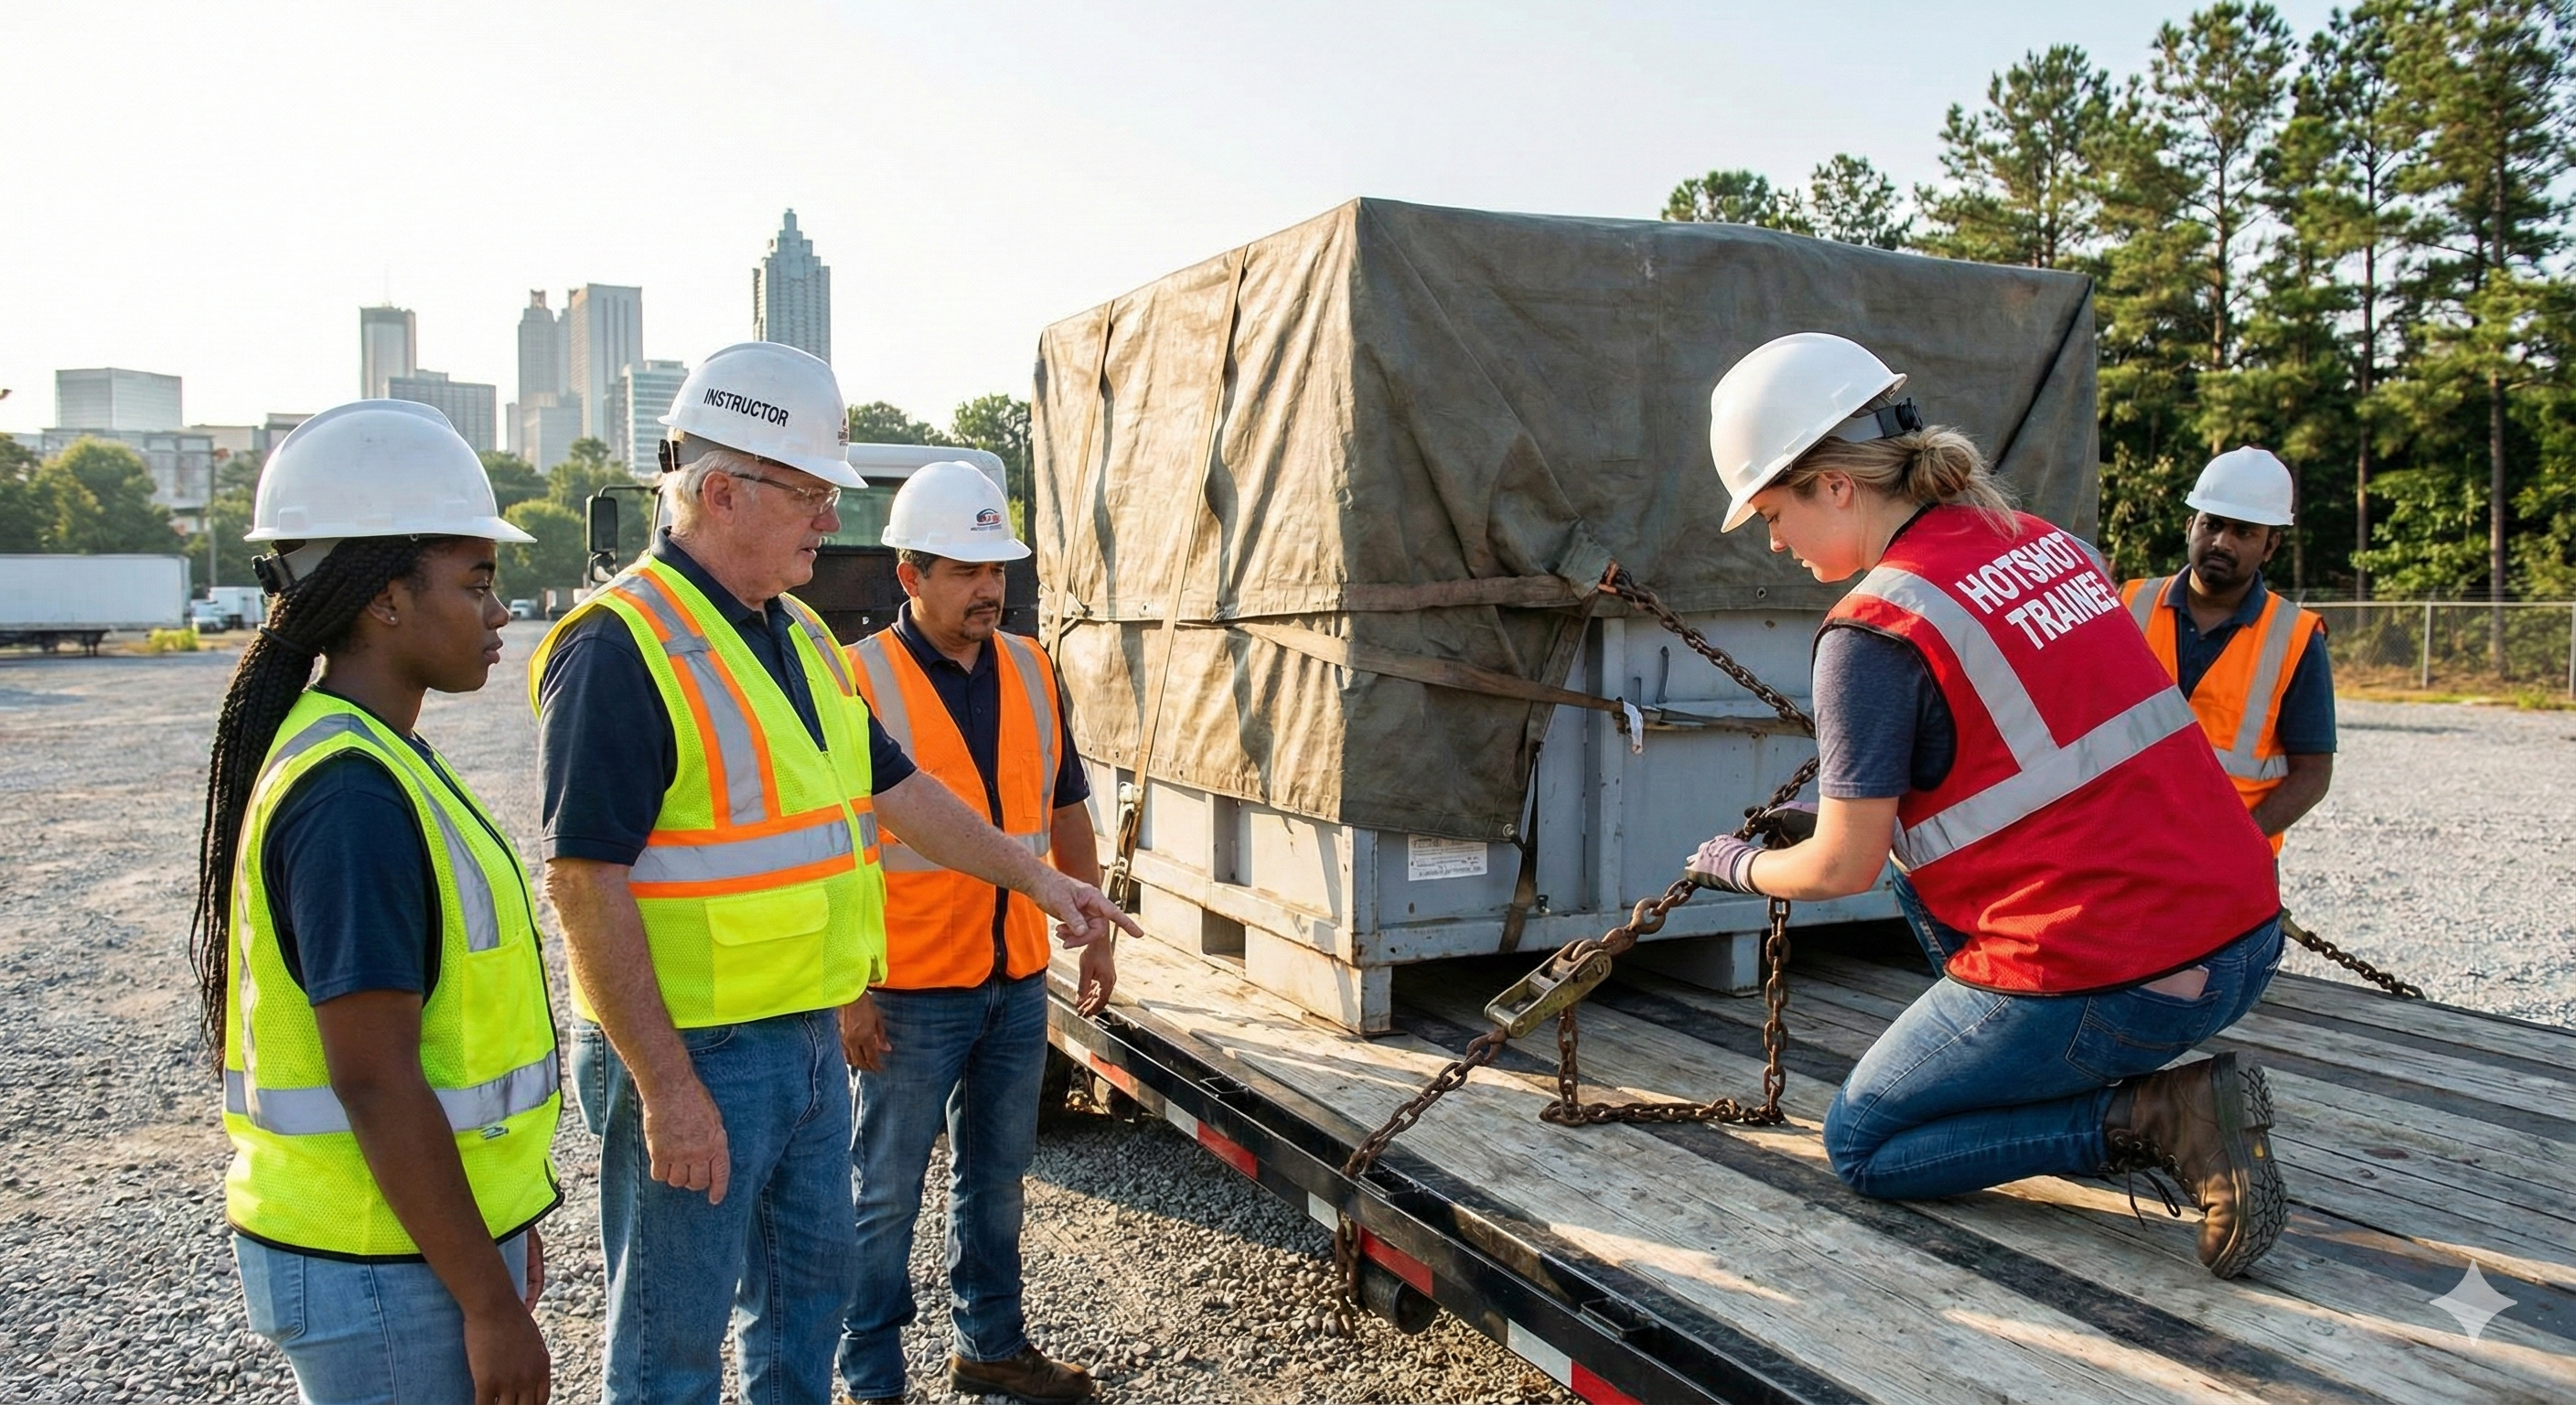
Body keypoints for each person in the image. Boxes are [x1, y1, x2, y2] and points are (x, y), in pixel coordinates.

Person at [530, 342, 1140, 1404]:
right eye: (813, 495)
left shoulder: (798, 635)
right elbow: (584, 884)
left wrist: (1041, 884)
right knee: (671, 1345)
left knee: (804, 1312)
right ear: (723, 493)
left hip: (805, 1036)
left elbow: (899, 793)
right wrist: (666, 1087)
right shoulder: (621, 646)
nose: (829, 520)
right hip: (698, 1050)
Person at [1682, 333, 2291, 1278]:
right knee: (1937, 917)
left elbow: (1840, 871)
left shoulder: (1871, 630)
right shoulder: (2040, 543)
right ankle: (2100, 1079)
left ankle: (2147, 1117)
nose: (1772, 541)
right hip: (2242, 942)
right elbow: (2033, 771)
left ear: (1835, 486)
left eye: (1771, 511)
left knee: (1865, 1144)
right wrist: (1849, 820)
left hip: (2123, 978)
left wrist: (1738, 865)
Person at [190, 400, 561, 1404]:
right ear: (382, 600)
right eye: (476, 580)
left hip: (409, 1247)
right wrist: (485, 1302)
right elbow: (375, 1081)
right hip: (378, 1264)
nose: (499, 611)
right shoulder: (350, 793)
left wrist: (493, 1246)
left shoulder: (376, 755)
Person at [836, 462, 1111, 1405]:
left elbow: (1064, 805)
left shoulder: (1033, 666)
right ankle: (869, 1375)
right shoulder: (856, 678)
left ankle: (989, 1346)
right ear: (909, 577)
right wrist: (848, 991)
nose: (989, 588)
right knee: (882, 1196)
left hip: (1014, 976)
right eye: (964, 569)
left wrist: (1093, 928)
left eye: (996, 568)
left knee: (995, 1184)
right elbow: (831, 851)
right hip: (907, 989)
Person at [2120, 447, 2334, 853]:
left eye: (2243, 532)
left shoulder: (2296, 637)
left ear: (2271, 546)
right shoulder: (2128, 605)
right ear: (2190, 526)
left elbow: (2314, 773)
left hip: (2232, 860)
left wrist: (2238, 844)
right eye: (2212, 525)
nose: (2221, 542)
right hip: (2125, 845)